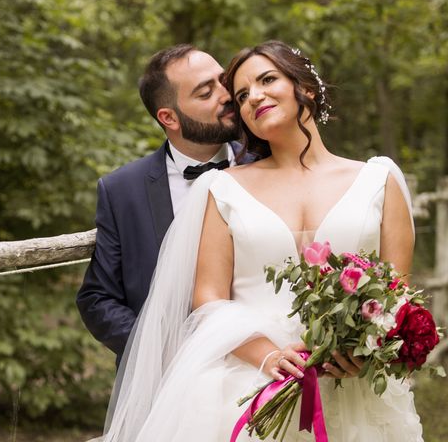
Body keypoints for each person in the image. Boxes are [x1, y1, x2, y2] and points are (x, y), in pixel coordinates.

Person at [97, 41, 423, 441]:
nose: (253, 97)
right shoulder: (222, 188)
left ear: (306, 87)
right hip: (247, 380)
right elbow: (209, 297)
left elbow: (396, 291)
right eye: (243, 94)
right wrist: (266, 354)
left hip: (352, 383)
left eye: (267, 79)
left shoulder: (380, 179)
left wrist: (362, 347)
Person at [76, 44, 258, 364]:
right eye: (205, 93)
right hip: (168, 380)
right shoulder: (121, 190)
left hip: (264, 368)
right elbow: (97, 298)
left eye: (223, 81)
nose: (227, 94)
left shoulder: (271, 164)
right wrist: (158, 350)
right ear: (169, 117)